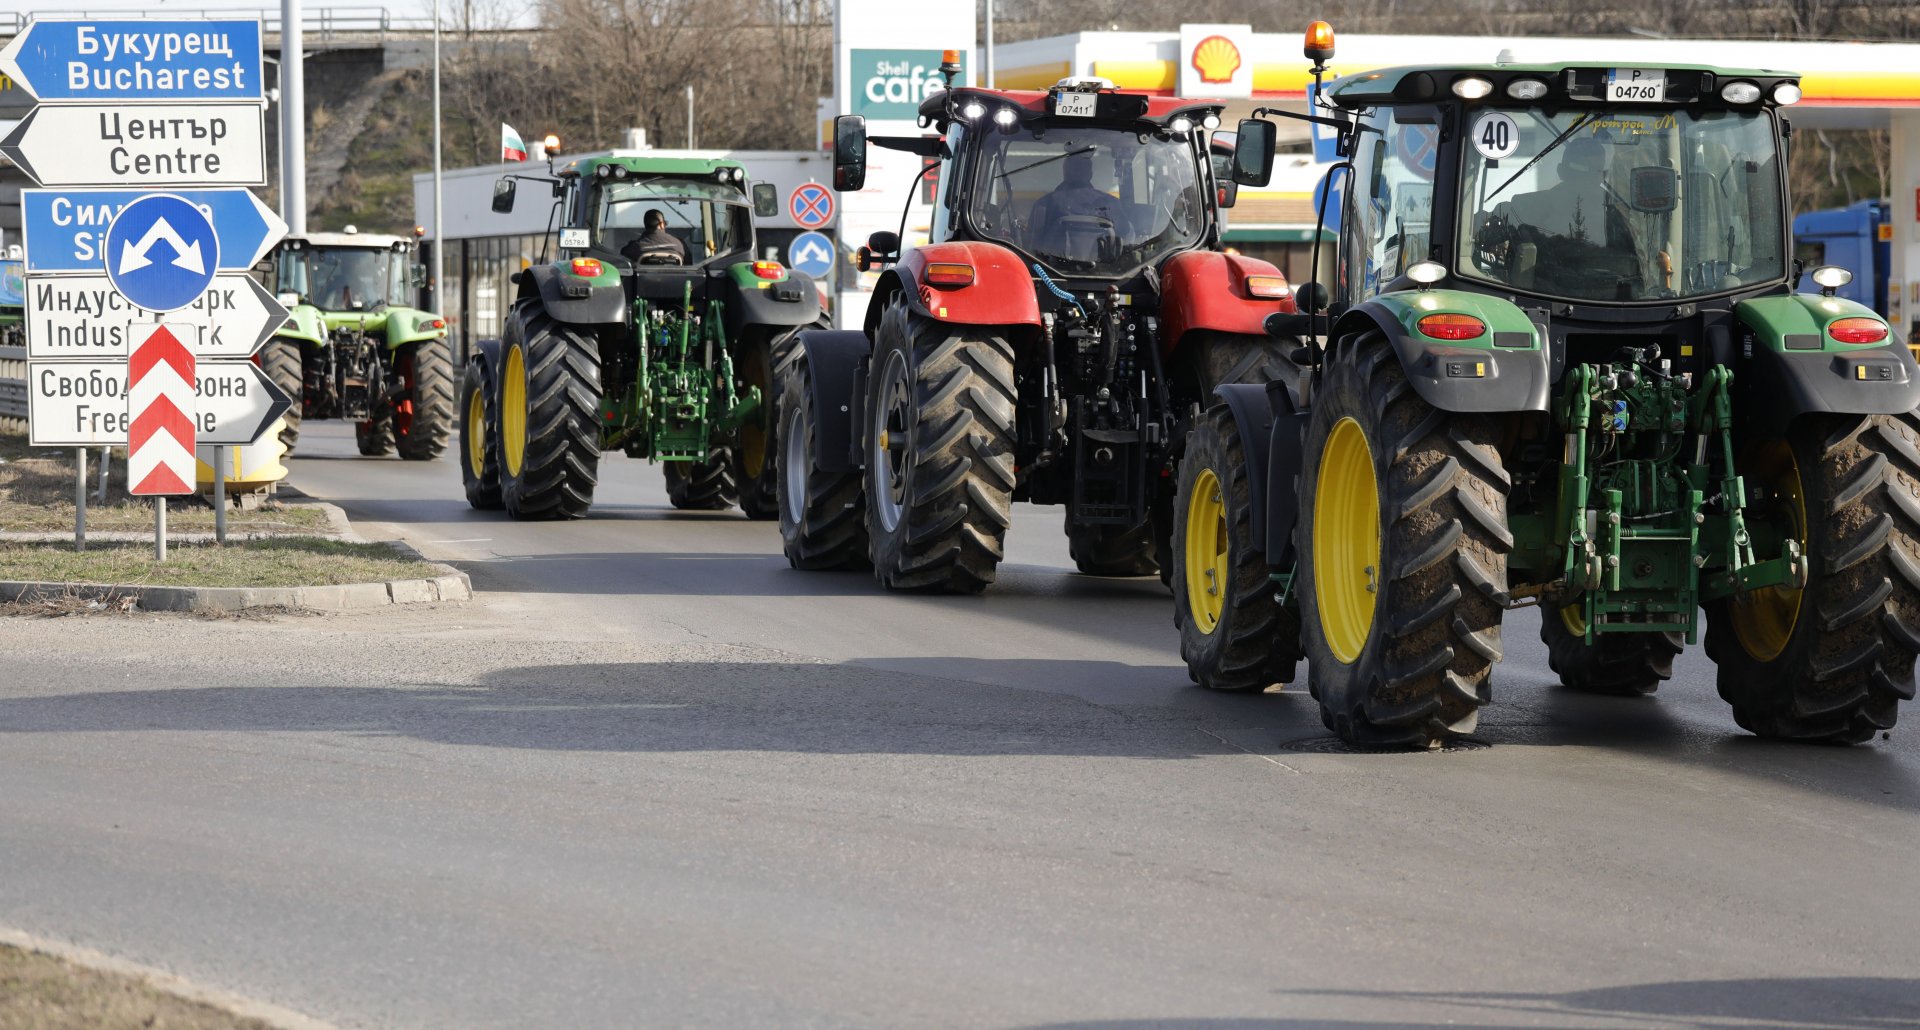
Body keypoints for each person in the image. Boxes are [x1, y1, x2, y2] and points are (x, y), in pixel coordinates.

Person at [1028, 150, 1117, 257]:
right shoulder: (1111, 204)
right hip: (1109, 271)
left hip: (1049, 270)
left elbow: (1031, 246)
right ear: (1090, 174)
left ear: (1065, 172)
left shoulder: (1043, 205)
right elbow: (1128, 236)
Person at [621, 209, 686, 265]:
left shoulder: (634, 248)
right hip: (675, 279)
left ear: (645, 225)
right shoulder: (679, 244)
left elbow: (623, 263)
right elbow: (688, 265)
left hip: (643, 279)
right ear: (662, 225)